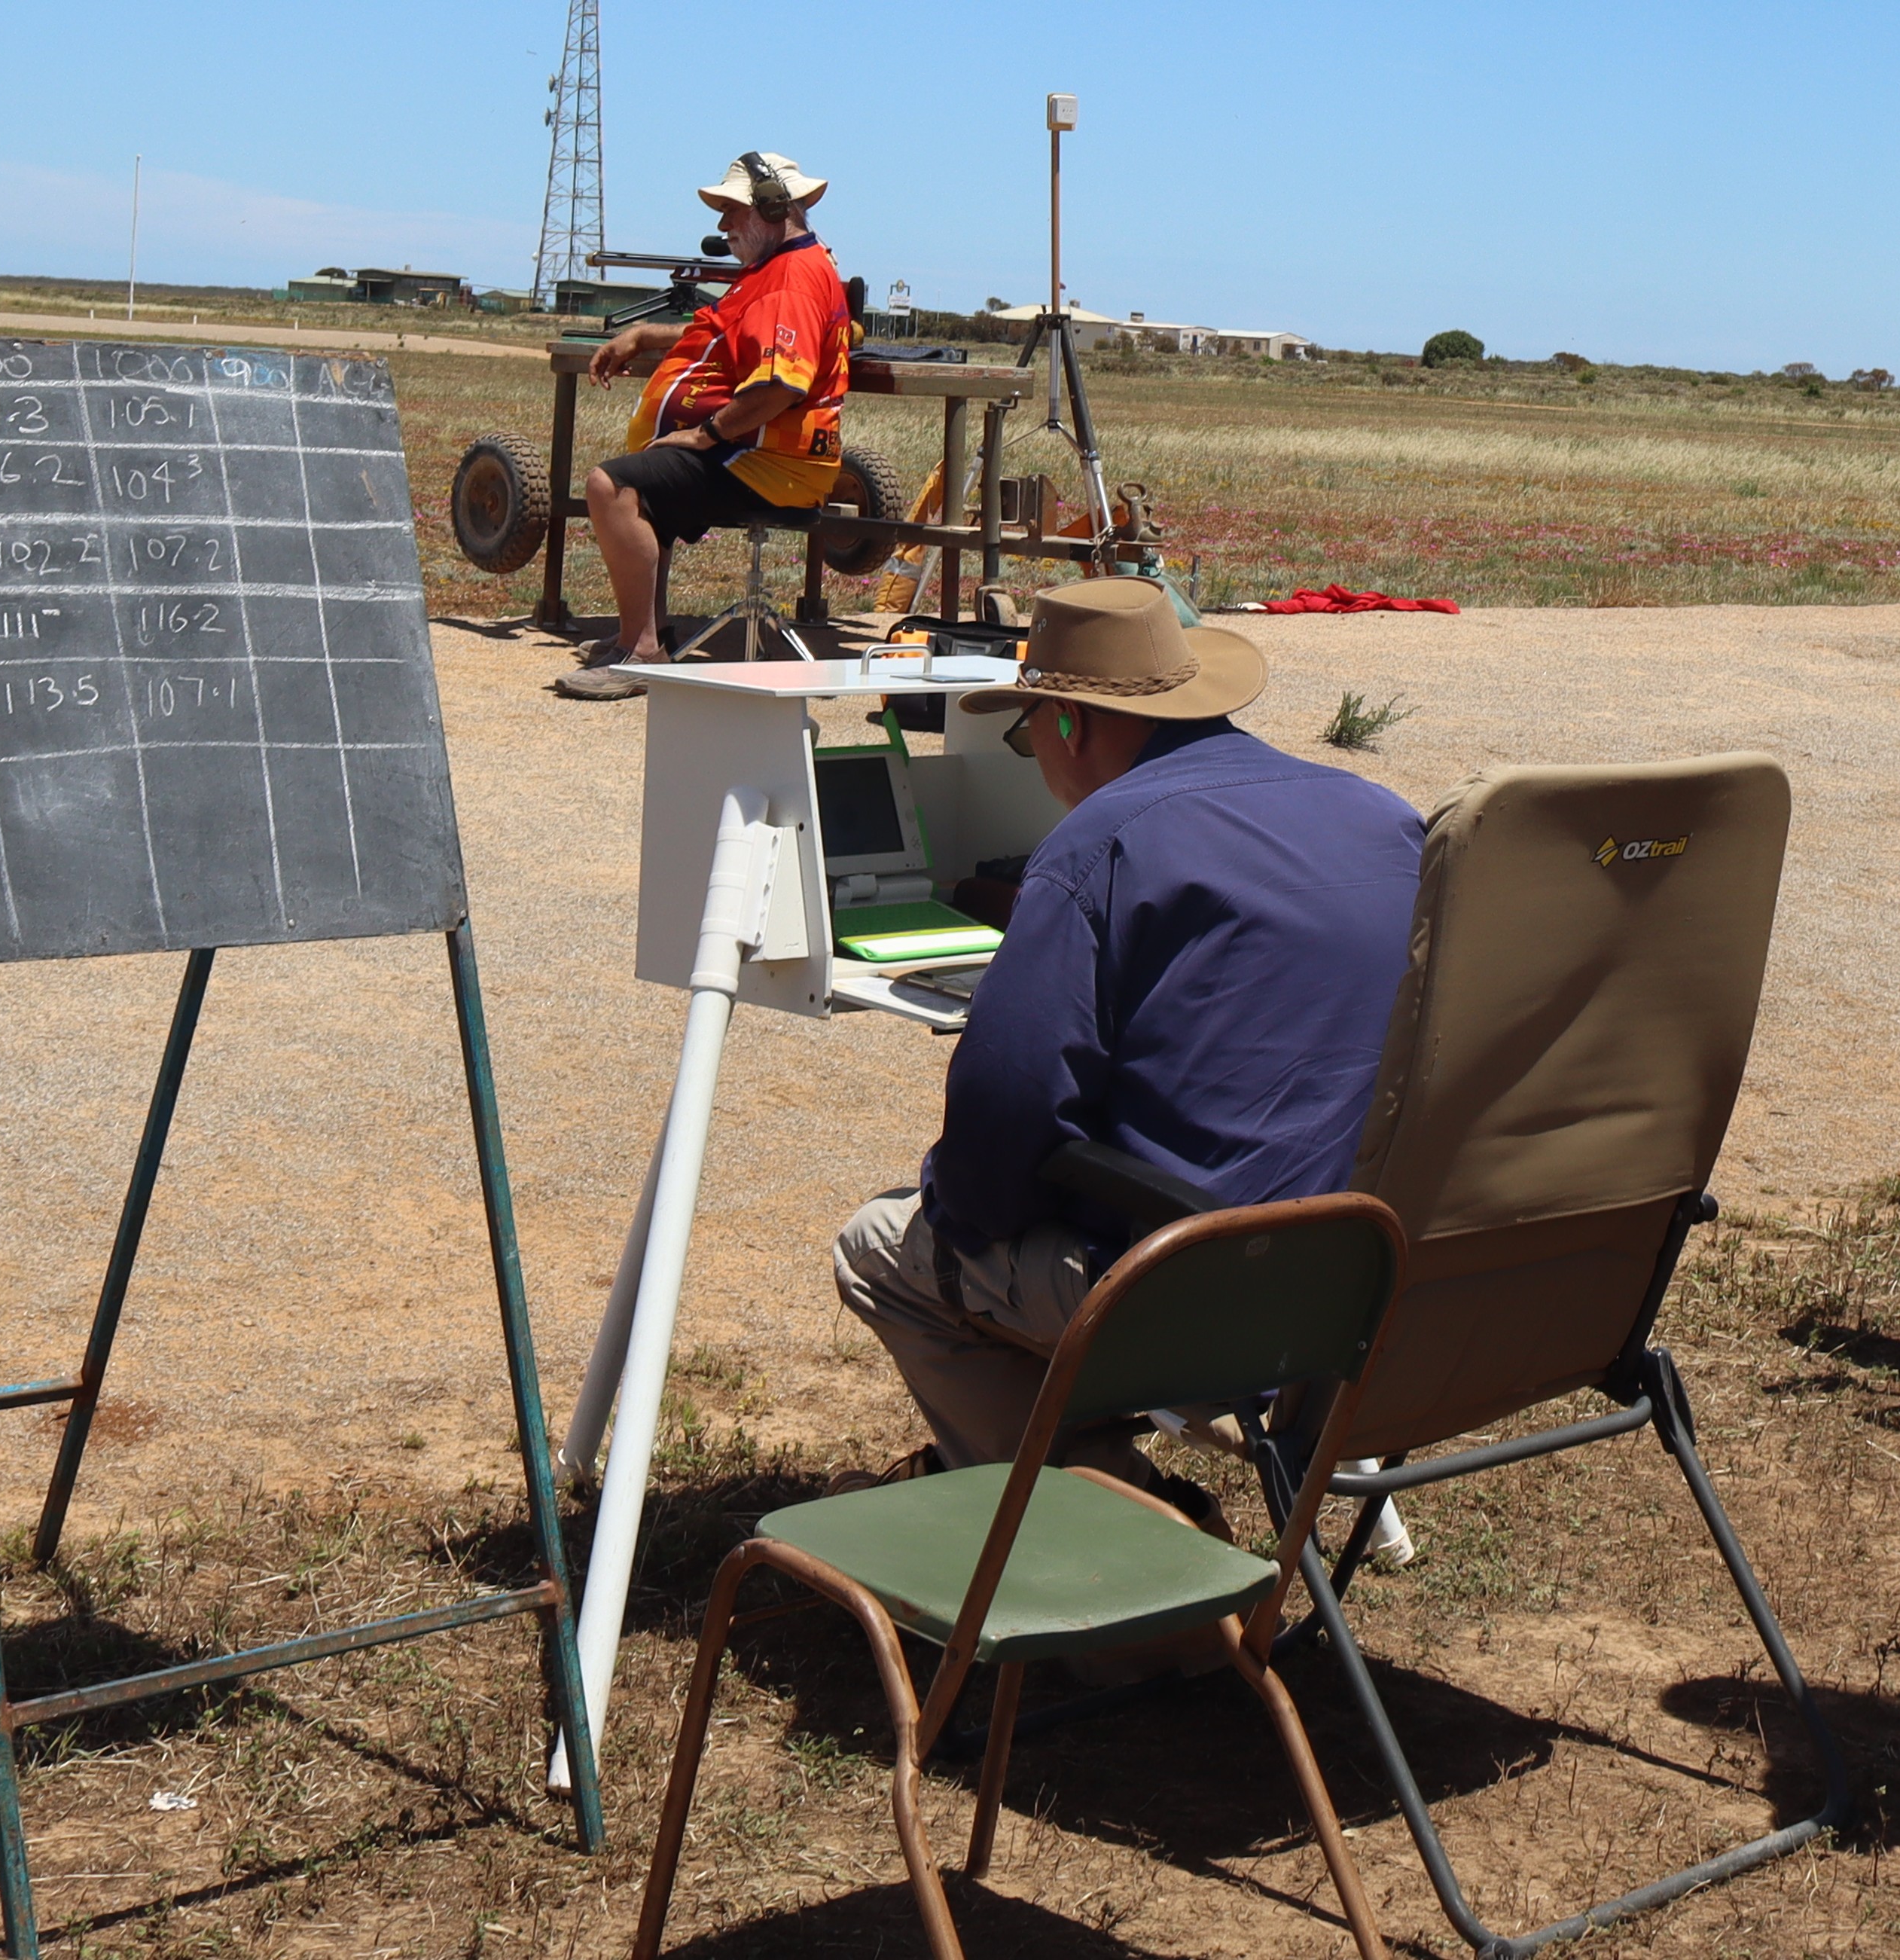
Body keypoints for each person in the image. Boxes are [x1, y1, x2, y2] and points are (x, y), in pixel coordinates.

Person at [831, 576, 1426, 1513]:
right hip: (1368, 1272)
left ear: (1069, 722)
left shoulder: (1099, 842)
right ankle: (1104, 1492)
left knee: (881, 1246)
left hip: (1205, 1287)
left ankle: (1104, 1520)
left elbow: (1005, 1108)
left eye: (1026, 732)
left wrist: (964, 1212)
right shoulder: (1382, 815)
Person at [557, 152, 855, 703]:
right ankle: (642, 637)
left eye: (733, 210)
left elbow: (779, 387)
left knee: (614, 487)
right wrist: (645, 335)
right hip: (760, 455)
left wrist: (703, 436)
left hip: (767, 463)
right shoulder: (776, 270)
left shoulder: (788, 282)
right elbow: (725, 333)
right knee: (645, 485)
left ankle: (642, 654)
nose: (723, 224)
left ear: (773, 209)